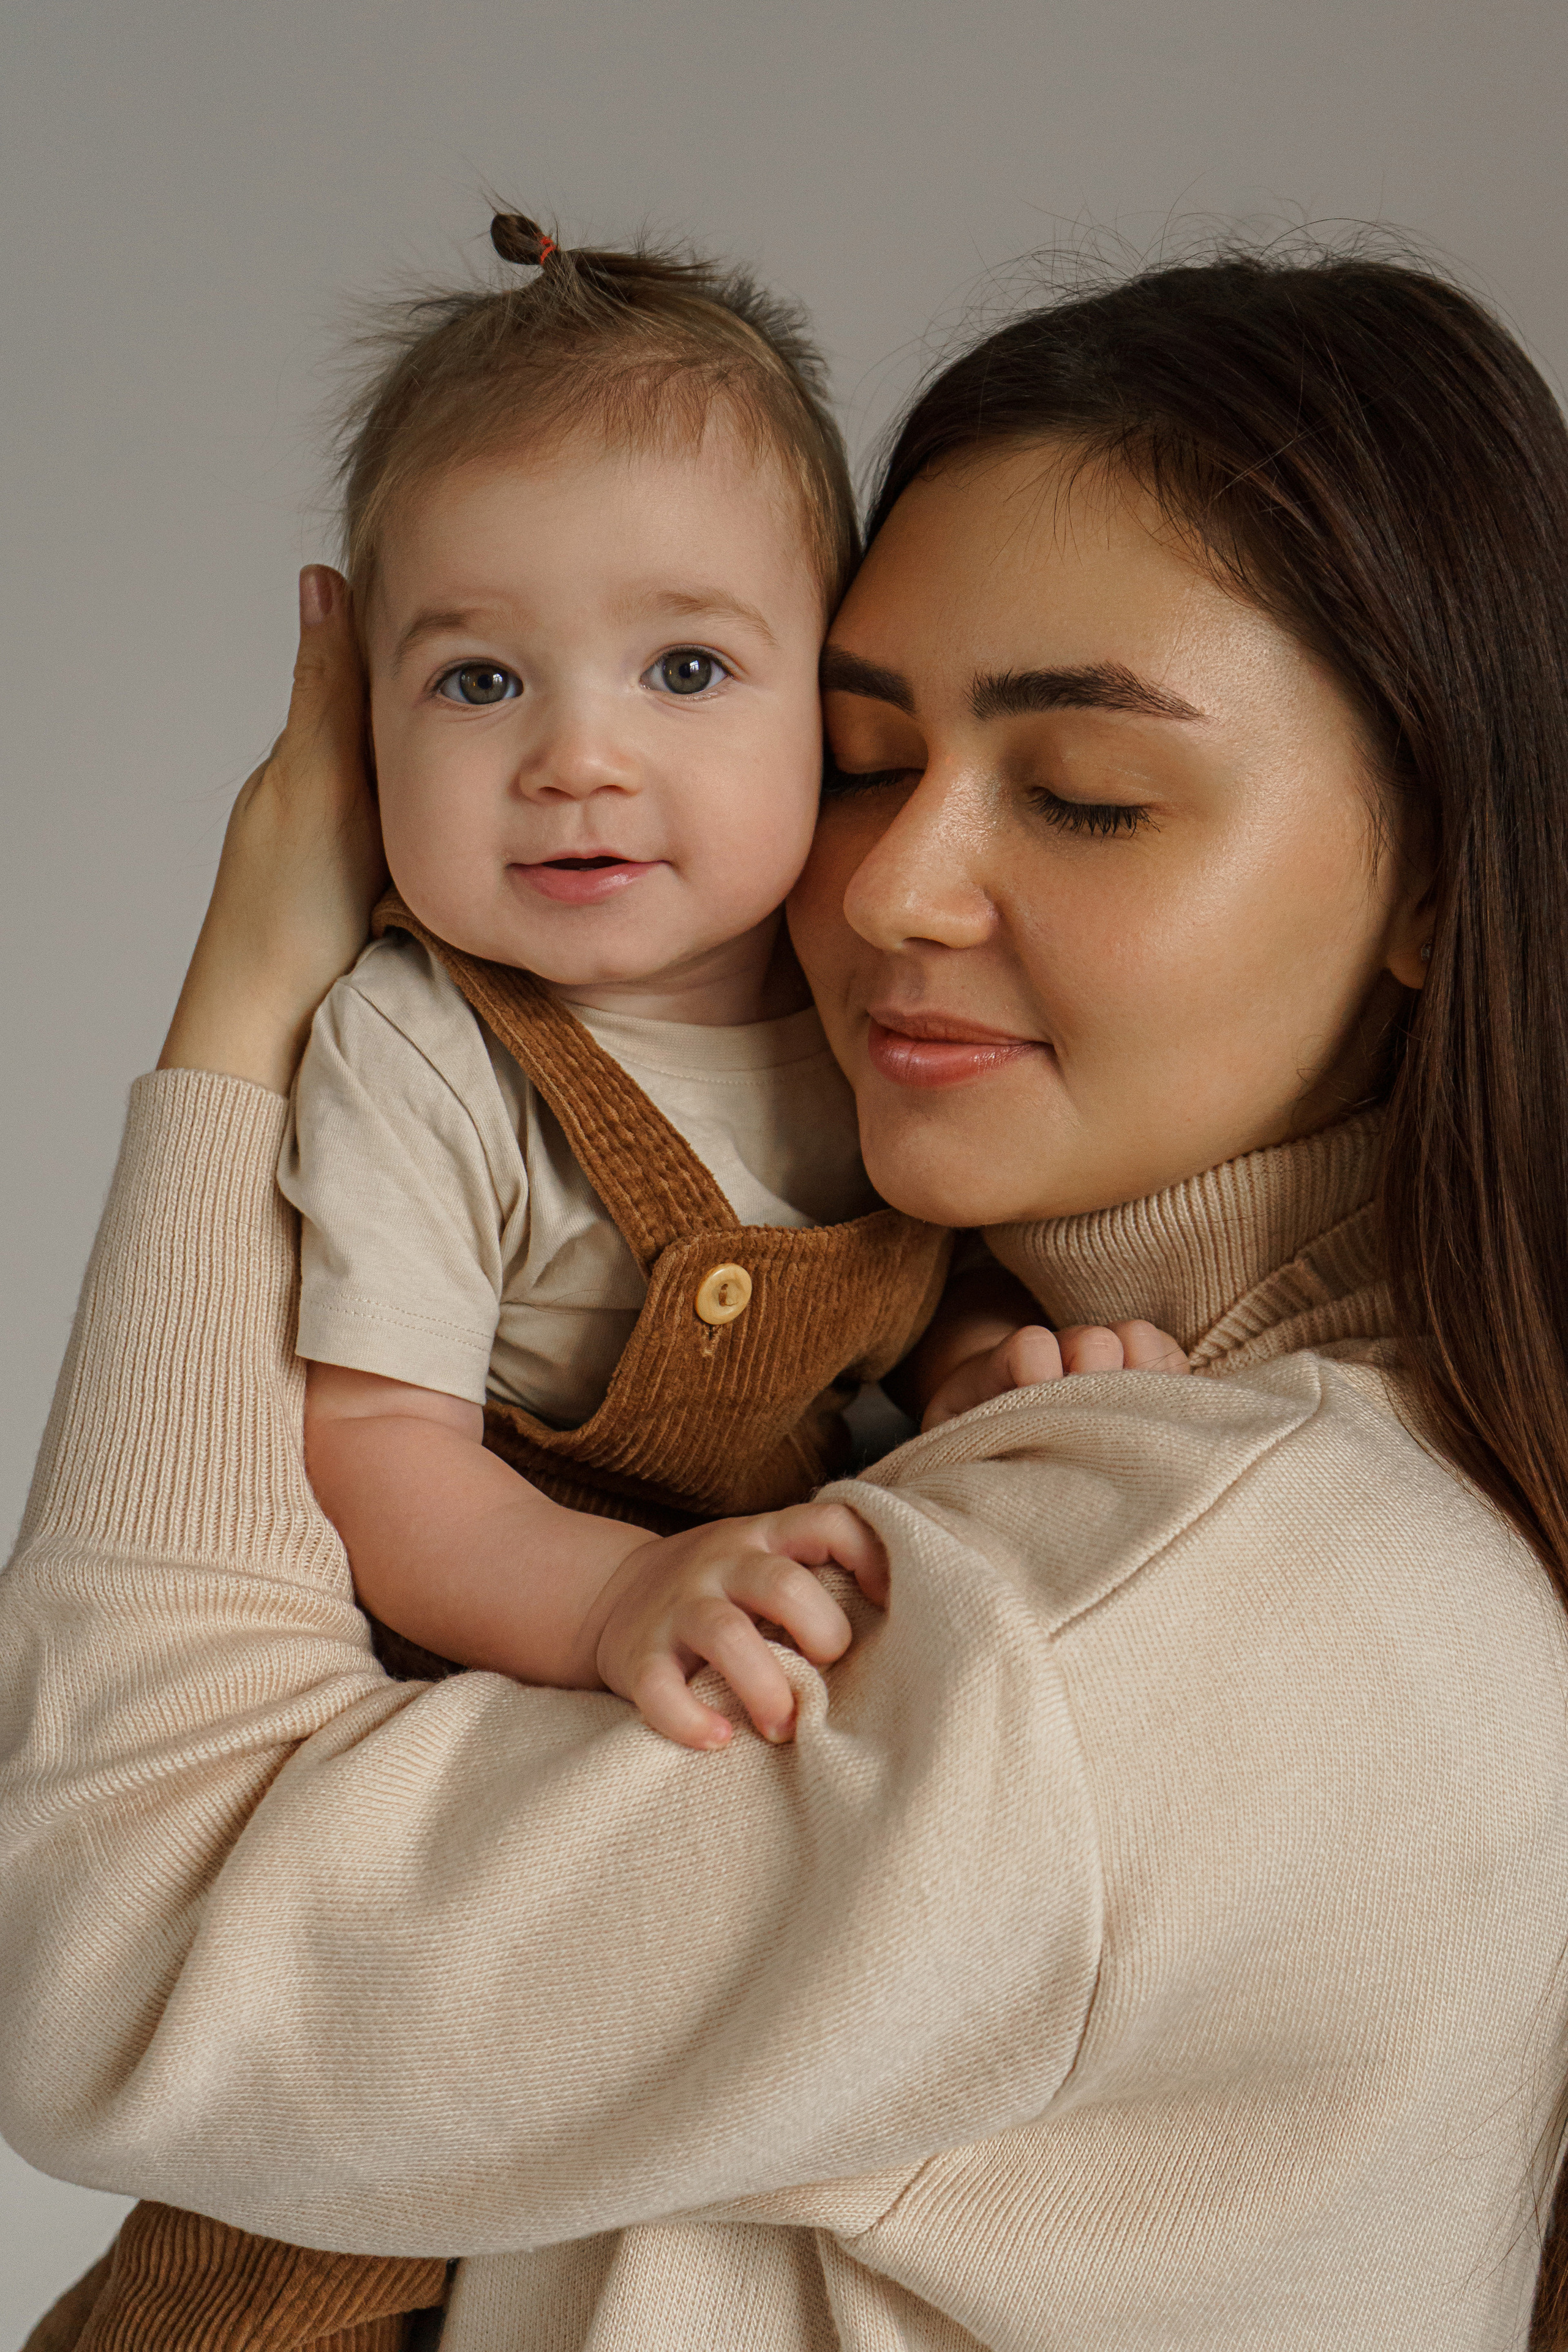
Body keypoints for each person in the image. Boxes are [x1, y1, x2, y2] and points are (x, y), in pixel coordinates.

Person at [8, 239, 1568, 2351]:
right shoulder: (1222, 1472)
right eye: (855, 758)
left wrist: (243, 1012)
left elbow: (111, 1949)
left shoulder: (1161, 1614)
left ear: (1445, 884)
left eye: (1089, 795)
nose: (896, 889)